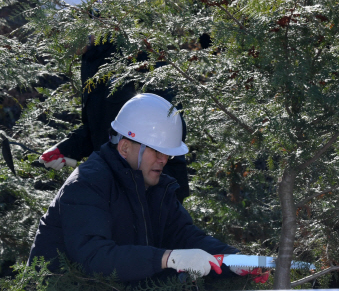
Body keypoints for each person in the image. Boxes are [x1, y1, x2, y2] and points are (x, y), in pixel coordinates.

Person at [28, 93, 263, 283]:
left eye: (167, 154)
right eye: (156, 151)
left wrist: (235, 259)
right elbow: (94, 258)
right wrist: (167, 258)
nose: (163, 160)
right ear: (124, 148)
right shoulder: (87, 183)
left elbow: (183, 235)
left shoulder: (155, 184)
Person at [37, 0, 191, 202]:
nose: (57, 39)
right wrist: (68, 149)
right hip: (118, 189)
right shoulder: (91, 58)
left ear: (83, 17)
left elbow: (169, 124)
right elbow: (101, 127)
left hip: (156, 191)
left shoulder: (134, 50)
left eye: (60, 30)